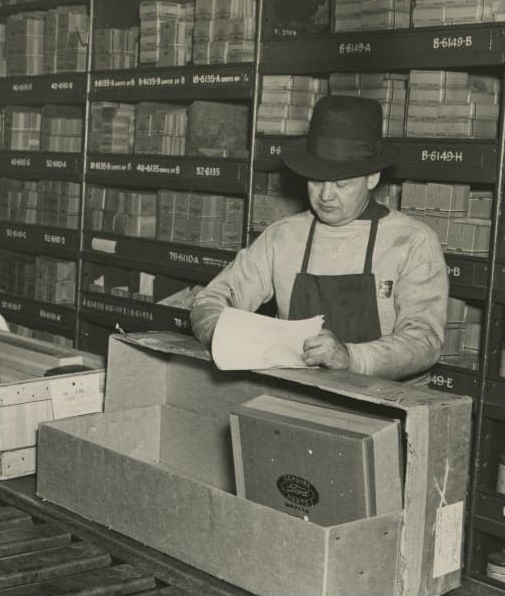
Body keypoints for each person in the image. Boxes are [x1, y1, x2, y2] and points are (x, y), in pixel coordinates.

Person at [190, 96, 448, 382]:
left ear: (372, 178)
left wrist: (352, 357)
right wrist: (219, 330)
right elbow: (212, 299)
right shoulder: (283, 237)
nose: (325, 196)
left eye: (341, 184)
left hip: (383, 403)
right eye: (315, 180)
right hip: (299, 395)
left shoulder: (412, 241)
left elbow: (425, 339)